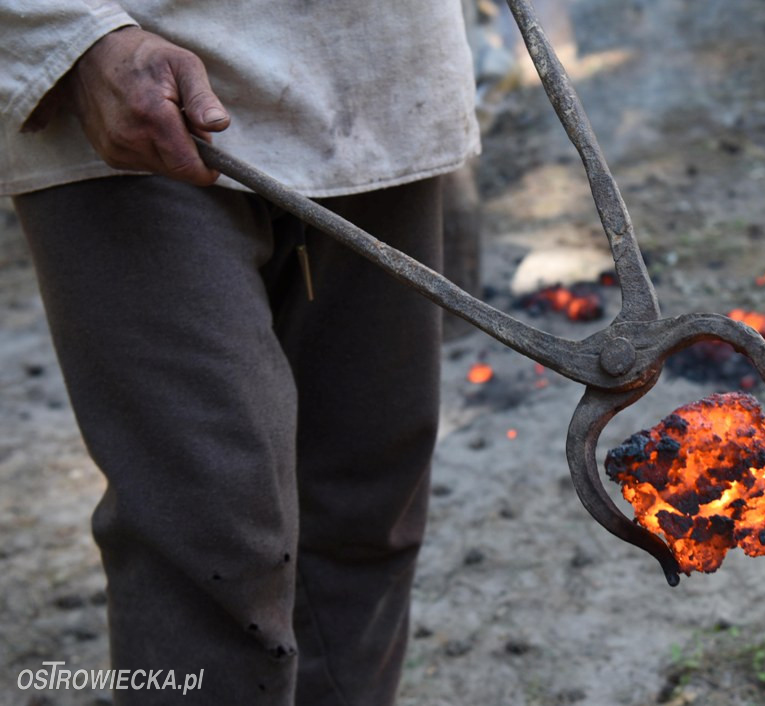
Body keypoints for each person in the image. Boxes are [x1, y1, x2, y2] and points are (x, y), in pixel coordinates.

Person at [1, 2, 480, 704]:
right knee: (208, 531)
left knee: (364, 502)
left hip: (384, 77)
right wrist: (69, 36)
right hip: (133, 86)